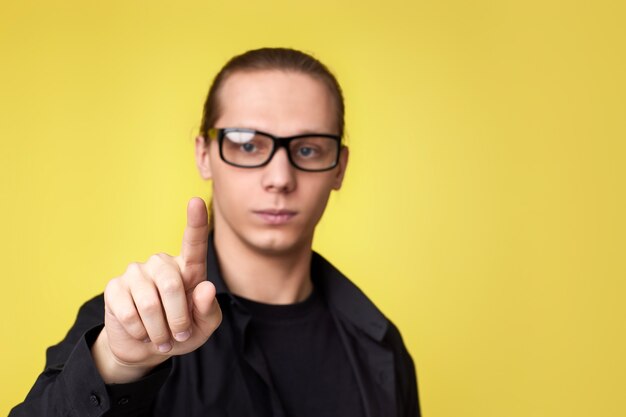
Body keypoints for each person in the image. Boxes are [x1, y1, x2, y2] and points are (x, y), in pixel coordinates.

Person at [11, 47, 420, 417]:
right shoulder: (128, 323)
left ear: (340, 167)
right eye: (247, 144)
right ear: (204, 156)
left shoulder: (380, 345)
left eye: (308, 149)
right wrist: (118, 366)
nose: (280, 178)